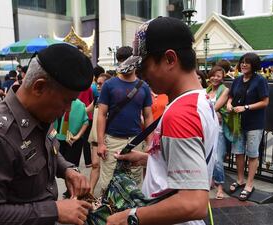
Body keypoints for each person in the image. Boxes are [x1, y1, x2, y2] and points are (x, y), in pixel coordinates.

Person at [0, 43, 94, 225]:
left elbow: (47, 152)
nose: (68, 110)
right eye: (66, 101)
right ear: (39, 87)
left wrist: (67, 170)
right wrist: (54, 210)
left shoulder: (42, 114)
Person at [106, 17, 219, 225]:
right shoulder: (202, 102)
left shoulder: (181, 113)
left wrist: (128, 217)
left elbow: (193, 203)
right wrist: (149, 159)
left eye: (144, 67)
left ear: (170, 59)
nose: (141, 76)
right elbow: (191, 168)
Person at [97, 55, 153, 193]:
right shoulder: (109, 85)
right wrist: (100, 143)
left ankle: (130, 213)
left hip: (135, 140)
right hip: (112, 140)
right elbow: (102, 114)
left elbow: (148, 116)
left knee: (134, 182)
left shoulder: (144, 87)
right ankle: (108, 211)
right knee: (109, 181)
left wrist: (150, 143)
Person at [226, 52, 269, 201]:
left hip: (254, 124)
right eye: (242, 62)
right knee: (238, 152)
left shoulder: (260, 80)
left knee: (252, 154)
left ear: (254, 65)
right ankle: (240, 180)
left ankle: (249, 184)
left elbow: (265, 102)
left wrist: (246, 107)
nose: (244, 64)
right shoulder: (237, 80)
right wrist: (229, 104)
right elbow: (231, 96)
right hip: (238, 123)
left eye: (247, 62)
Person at [206, 66, 230, 200]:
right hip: (206, 129)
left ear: (222, 78)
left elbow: (215, 106)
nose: (215, 78)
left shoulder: (225, 90)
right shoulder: (206, 90)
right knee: (207, 158)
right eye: (213, 75)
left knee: (217, 159)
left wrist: (213, 112)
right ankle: (210, 181)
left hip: (218, 130)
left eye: (218, 76)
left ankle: (220, 186)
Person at [87, 73, 111, 194]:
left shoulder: (112, 100)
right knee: (95, 165)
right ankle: (89, 193)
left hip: (106, 139)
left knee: (106, 168)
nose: (98, 86)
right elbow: (86, 111)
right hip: (95, 138)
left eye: (101, 83)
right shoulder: (97, 99)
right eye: (97, 83)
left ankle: (105, 194)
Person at [78, 86, 94, 168]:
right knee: (86, 139)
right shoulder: (89, 88)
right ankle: (88, 162)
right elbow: (92, 101)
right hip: (88, 116)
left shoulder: (75, 87)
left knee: (77, 138)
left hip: (77, 114)